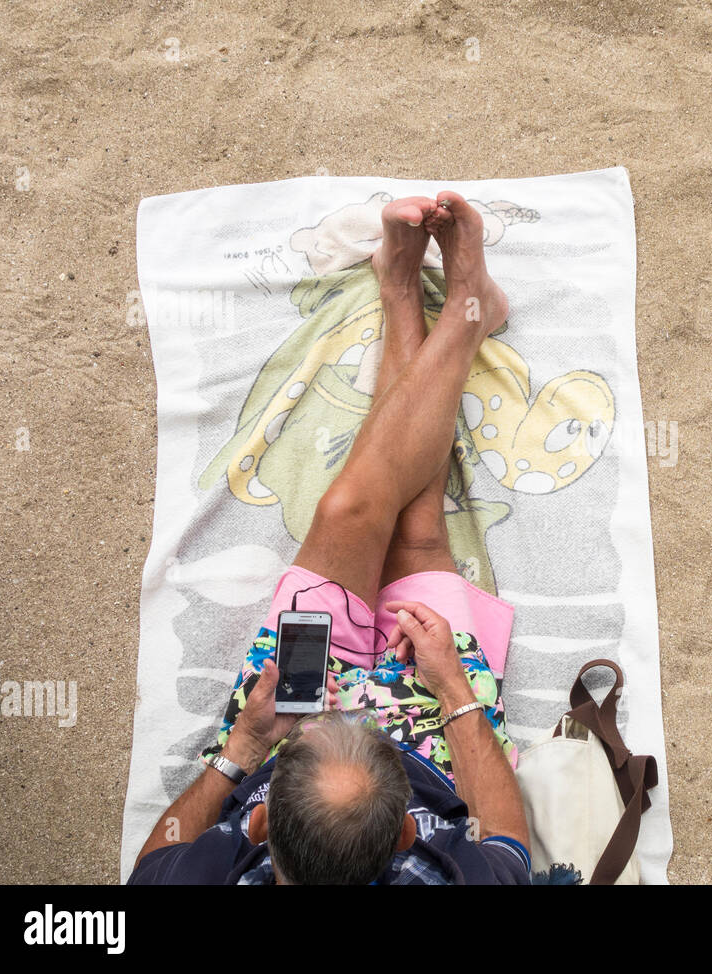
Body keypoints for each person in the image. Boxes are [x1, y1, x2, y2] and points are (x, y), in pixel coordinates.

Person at [129, 194, 530, 885]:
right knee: (415, 529)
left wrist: (248, 742)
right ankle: (457, 310)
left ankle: (417, 298)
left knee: (350, 510)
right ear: (410, 831)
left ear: (256, 823)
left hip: (292, 721)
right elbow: (510, 845)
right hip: (432, 750)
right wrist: (456, 694)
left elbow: (155, 865)